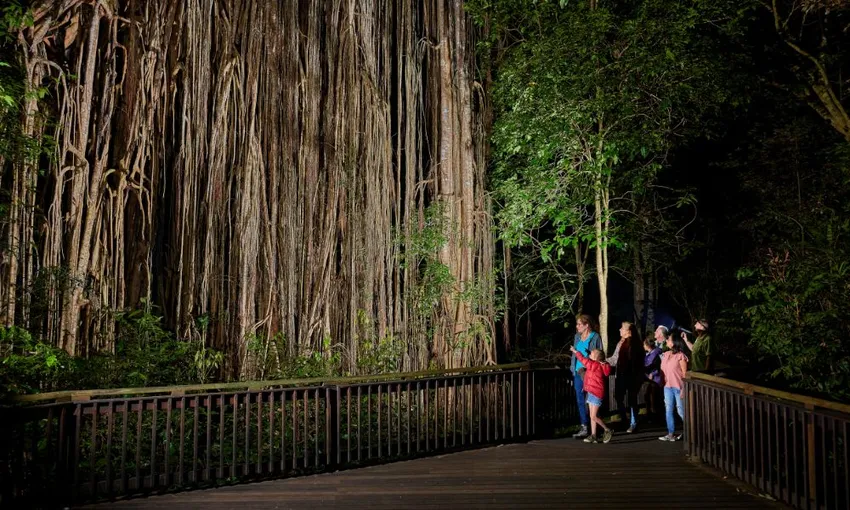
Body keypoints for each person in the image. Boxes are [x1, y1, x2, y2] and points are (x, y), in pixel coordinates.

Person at [570, 346, 613, 444]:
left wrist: (575, 351)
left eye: (592, 352)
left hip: (596, 393)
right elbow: (605, 368)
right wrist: (603, 362)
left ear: (596, 358)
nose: (590, 353)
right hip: (592, 392)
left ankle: (607, 429)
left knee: (593, 416)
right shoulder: (599, 364)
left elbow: (582, 359)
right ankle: (593, 435)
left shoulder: (593, 365)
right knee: (592, 416)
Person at [607, 322, 645, 433]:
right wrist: (603, 362)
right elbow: (615, 359)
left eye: (622, 328)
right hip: (621, 374)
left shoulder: (636, 345)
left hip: (632, 375)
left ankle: (633, 423)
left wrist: (637, 375)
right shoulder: (621, 343)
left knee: (632, 399)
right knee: (618, 397)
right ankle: (624, 420)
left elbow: (638, 362)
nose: (620, 329)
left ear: (628, 331)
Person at [570, 314, 603, 439]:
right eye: (577, 324)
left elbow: (600, 354)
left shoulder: (595, 337)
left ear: (586, 325)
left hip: (590, 372)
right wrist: (573, 368)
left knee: (591, 399)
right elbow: (574, 355)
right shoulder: (577, 337)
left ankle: (595, 428)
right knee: (580, 399)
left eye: (579, 324)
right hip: (578, 371)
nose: (577, 326)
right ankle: (584, 426)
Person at [658, 335, 689, 442]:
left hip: (678, 387)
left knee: (681, 411)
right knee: (668, 410)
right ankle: (671, 434)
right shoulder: (665, 354)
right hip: (667, 387)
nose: (667, 340)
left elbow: (685, 374)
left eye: (669, 339)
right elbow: (662, 371)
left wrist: (684, 389)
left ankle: (690, 432)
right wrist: (662, 382)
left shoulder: (681, 356)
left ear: (674, 342)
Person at [642, 336, 663, 422]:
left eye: (644, 344)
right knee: (647, 396)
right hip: (650, 379)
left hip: (656, 379)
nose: (643, 346)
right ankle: (650, 415)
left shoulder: (656, 353)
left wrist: (653, 373)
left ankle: (656, 417)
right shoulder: (649, 353)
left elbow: (659, 366)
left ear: (648, 345)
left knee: (653, 398)